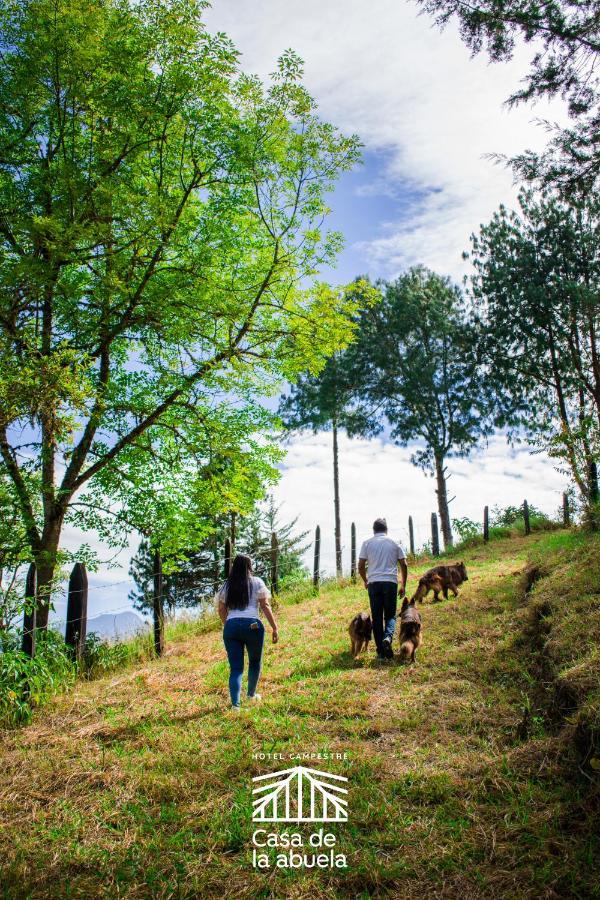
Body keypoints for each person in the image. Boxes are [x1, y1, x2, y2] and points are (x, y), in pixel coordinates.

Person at [217, 554, 279, 711]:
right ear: (249, 567)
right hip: (253, 625)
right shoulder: (257, 582)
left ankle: (235, 706)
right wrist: (274, 627)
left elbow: (221, 608)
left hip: (231, 626)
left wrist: (228, 624)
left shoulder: (227, 585)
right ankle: (251, 695)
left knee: (236, 668)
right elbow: (265, 605)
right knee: (255, 662)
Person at [358, 518, 408, 660]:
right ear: (386, 529)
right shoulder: (394, 542)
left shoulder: (367, 543)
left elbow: (361, 566)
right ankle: (387, 638)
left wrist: (365, 580)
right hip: (390, 583)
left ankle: (380, 652)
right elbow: (404, 564)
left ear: (374, 530)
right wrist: (403, 584)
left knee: (377, 617)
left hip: (374, 583)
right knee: (391, 615)